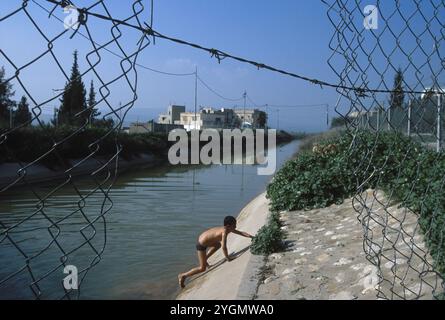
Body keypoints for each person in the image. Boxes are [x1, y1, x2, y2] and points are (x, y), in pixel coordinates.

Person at [178, 215, 254, 288]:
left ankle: (205, 258)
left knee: (217, 245)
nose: (235, 227)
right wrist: (228, 258)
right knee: (202, 268)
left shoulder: (227, 229)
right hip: (201, 244)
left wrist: (252, 237)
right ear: (228, 226)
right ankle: (183, 275)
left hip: (204, 239)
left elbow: (241, 233)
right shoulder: (224, 233)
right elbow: (224, 247)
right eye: (234, 225)